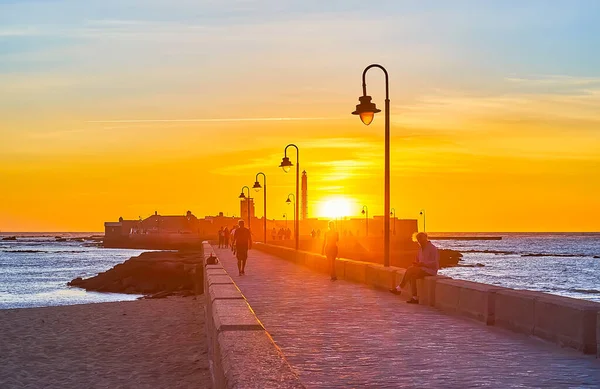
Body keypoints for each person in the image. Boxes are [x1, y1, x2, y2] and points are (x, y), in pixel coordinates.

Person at [391, 232, 439, 304]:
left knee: (410, 269)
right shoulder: (420, 249)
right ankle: (415, 298)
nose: (420, 242)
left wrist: (424, 264)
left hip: (430, 270)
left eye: (421, 240)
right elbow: (418, 260)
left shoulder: (433, 248)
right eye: (418, 240)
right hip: (421, 269)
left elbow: (435, 263)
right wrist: (417, 263)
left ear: (426, 238)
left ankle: (399, 288)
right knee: (412, 277)